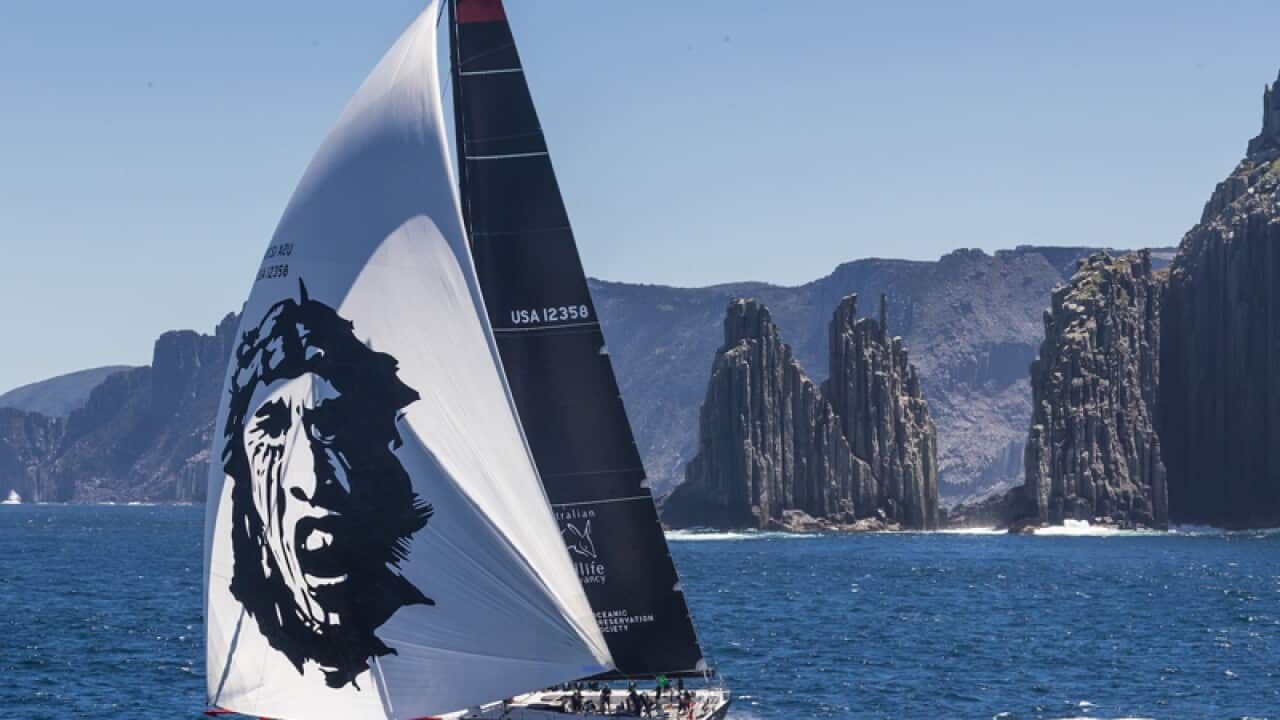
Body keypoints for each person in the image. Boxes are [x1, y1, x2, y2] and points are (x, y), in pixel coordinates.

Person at [222, 282, 433, 689]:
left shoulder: (435, 614)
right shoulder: (268, 626)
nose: (314, 481)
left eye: (332, 423)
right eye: (273, 428)